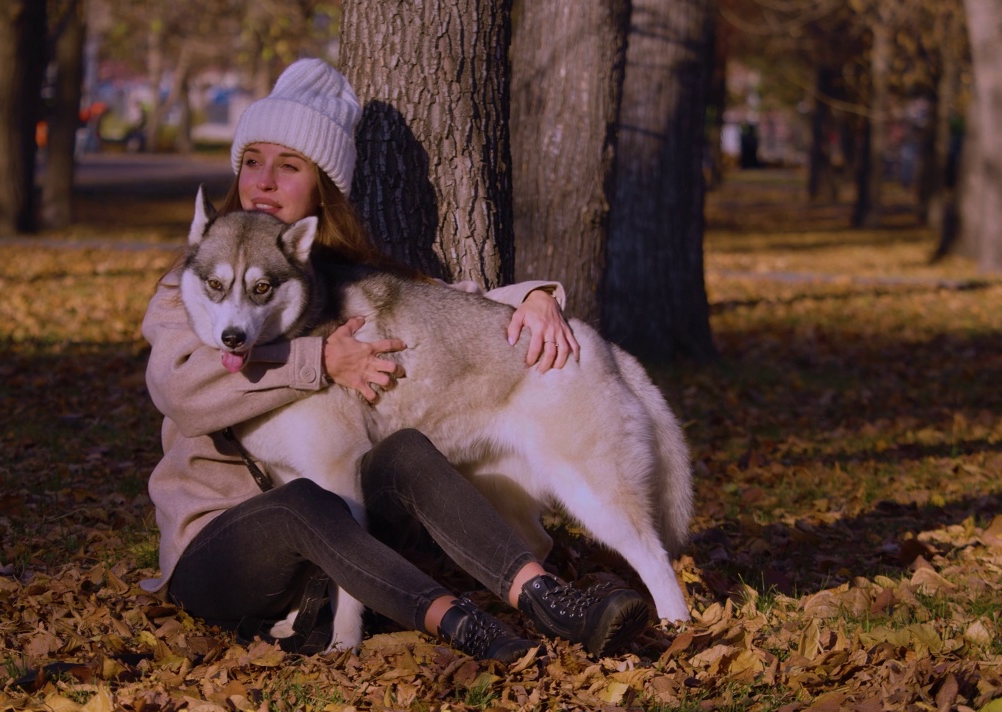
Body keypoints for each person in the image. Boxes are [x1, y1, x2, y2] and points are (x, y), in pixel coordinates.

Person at [139, 59, 653, 662]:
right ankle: (461, 626)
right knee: (309, 502)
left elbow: (442, 307)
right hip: (220, 550)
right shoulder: (196, 277)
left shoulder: (326, 280)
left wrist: (534, 298)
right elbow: (180, 389)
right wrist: (319, 359)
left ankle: (543, 598)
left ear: (321, 187)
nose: (264, 183)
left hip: (327, 568)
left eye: (289, 166)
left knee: (404, 449)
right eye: (252, 162)